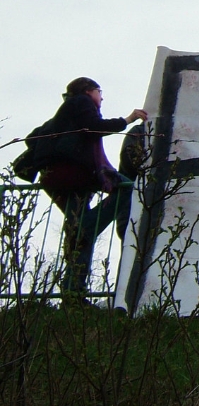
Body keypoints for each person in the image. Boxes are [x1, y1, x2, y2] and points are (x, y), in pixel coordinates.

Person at [39, 77, 147, 302]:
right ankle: (85, 234)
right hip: (71, 176)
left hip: (61, 178)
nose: (102, 97)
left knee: (80, 234)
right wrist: (127, 119)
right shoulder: (81, 102)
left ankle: (73, 291)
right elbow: (93, 128)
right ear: (88, 91)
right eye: (100, 91)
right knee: (125, 188)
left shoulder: (70, 109)